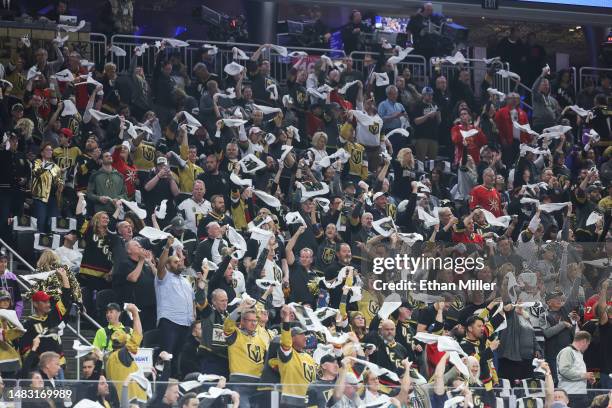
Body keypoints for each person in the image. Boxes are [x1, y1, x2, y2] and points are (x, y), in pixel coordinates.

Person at [155, 236, 195, 377]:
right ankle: (162, 386)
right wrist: (167, 247)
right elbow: (160, 265)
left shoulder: (186, 281)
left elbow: (192, 301)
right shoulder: (163, 277)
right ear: (168, 265)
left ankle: (173, 385)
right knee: (167, 356)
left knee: (177, 357)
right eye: (175, 262)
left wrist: (193, 316)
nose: (179, 263)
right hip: (170, 322)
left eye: (179, 261)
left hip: (186, 323)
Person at [20, 268, 73, 367]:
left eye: (48, 301)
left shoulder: (53, 316)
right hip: (41, 368)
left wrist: (64, 277)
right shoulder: (28, 324)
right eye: (44, 302)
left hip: (59, 366)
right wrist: (38, 361)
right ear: (35, 304)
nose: (48, 304)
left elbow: (65, 299)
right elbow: (24, 349)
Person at [224, 298, 268, 407]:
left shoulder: (261, 339)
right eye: (250, 321)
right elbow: (228, 323)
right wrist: (241, 308)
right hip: (239, 384)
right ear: (242, 321)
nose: (253, 323)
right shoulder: (235, 335)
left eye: (255, 321)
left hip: (258, 384)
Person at [113, 240, 157, 332]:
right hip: (135, 307)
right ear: (129, 251)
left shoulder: (145, 265)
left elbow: (158, 278)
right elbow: (133, 278)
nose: (140, 246)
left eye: (140, 245)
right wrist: (141, 261)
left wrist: (149, 263)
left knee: (148, 332)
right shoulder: (125, 263)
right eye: (136, 245)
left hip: (150, 305)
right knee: (134, 333)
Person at [105, 303, 145, 404]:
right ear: (124, 343)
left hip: (120, 401)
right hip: (133, 400)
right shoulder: (122, 354)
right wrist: (135, 313)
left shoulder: (109, 359)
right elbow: (138, 334)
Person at [278, 305, 316, 407]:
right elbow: (285, 339)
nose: (305, 337)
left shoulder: (309, 357)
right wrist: (286, 319)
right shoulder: (287, 353)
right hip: (290, 400)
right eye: (301, 334)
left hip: (308, 400)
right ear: (292, 338)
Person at [31, 142, 63, 232]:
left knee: (54, 222)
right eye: (47, 150)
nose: (50, 151)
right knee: (40, 222)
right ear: (42, 153)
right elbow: (36, 172)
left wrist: (61, 183)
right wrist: (46, 166)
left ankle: (53, 243)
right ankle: (38, 244)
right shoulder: (37, 162)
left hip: (53, 198)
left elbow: (59, 179)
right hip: (41, 197)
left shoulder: (55, 166)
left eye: (51, 150)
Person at [556, 330, 594, 407]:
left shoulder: (578, 353)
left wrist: (587, 378)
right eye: (588, 344)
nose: (587, 347)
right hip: (570, 394)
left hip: (578, 394)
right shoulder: (568, 351)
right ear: (584, 341)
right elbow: (564, 370)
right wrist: (584, 376)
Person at [412, 86, 441, 162]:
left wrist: (438, 114)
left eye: (431, 95)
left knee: (433, 161)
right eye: (428, 95)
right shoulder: (418, 105)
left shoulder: (435, 105)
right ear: (423, 95)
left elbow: (439, 121)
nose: (430, 96)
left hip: (434, 137)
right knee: (420, 160)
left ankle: (432, 174)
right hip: (421, 137)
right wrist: (427, 115)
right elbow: (416, 121)